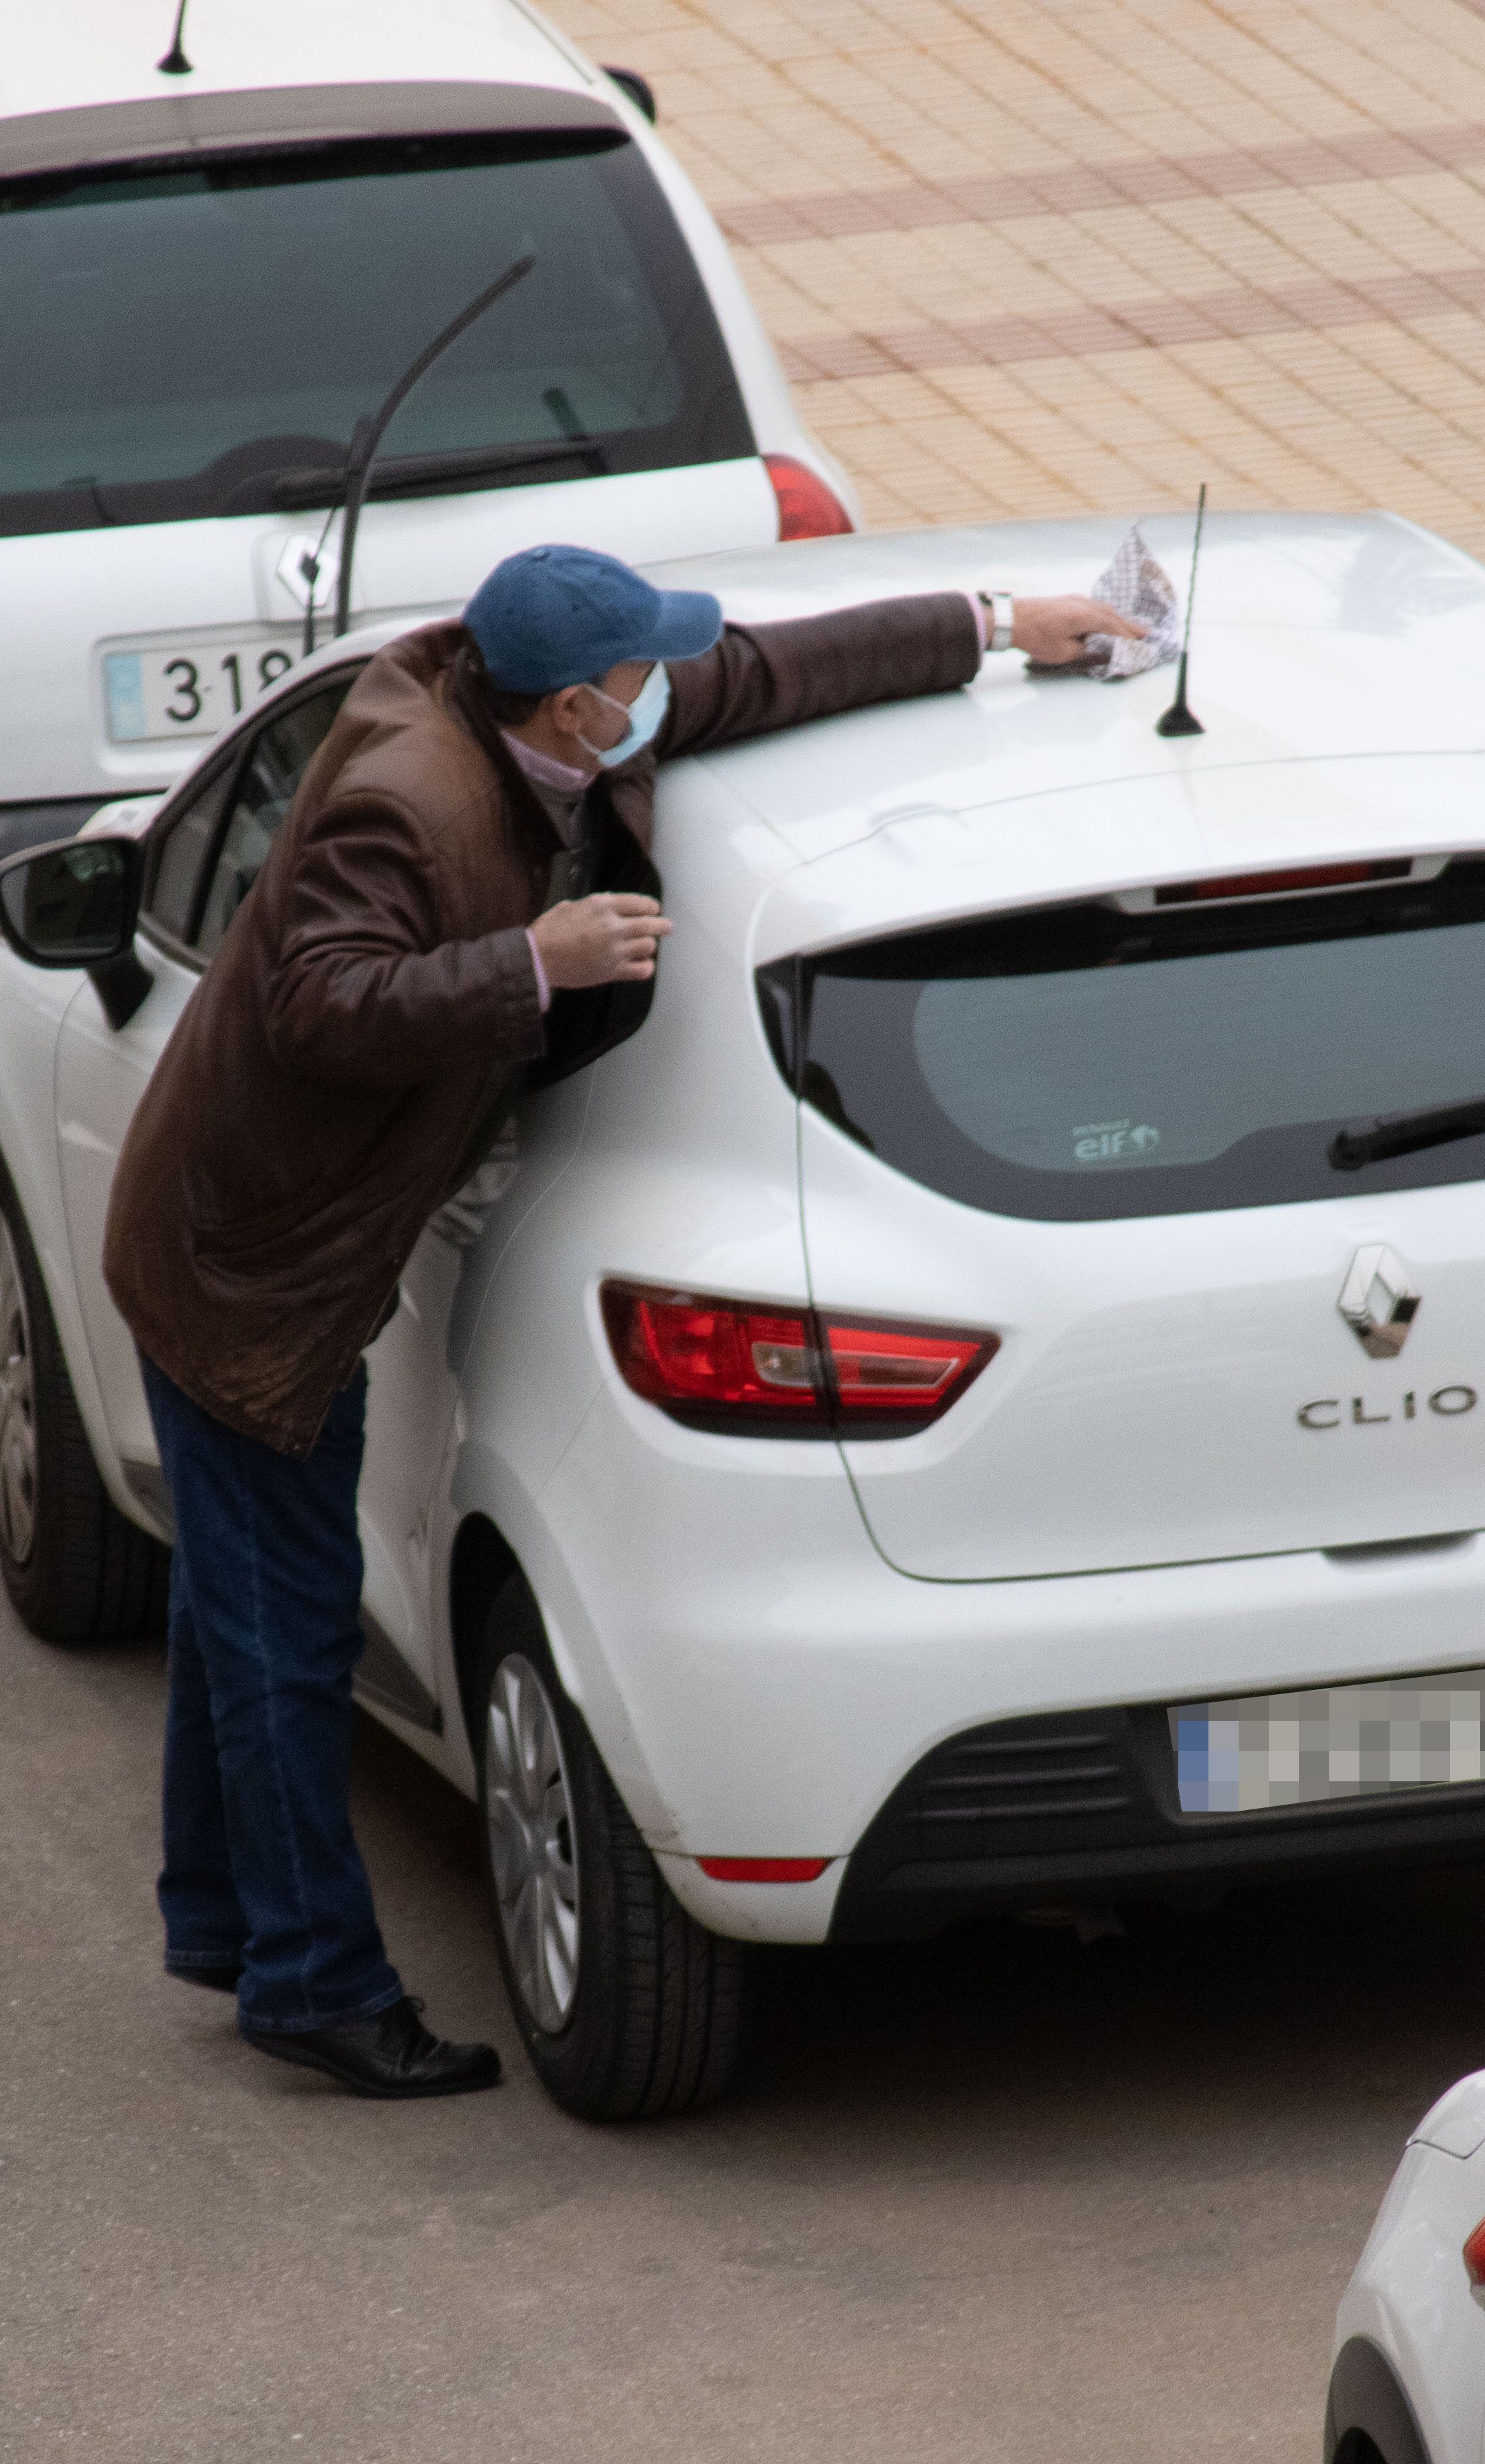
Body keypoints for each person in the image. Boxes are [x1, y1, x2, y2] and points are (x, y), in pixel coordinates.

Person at [102, 544, 1141, 2097]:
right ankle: (312, 1981)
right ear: (581, 707)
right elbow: (319, 1002)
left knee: (241, 1600)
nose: (673, 685)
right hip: (250, 1269)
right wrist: (537, 957)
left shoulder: (562, 707)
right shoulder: (414, 796)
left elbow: (777, 667)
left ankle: (227, 1922)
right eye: (644, 673)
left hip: (273, 1242)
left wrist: (999, 627)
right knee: (288, 1625)